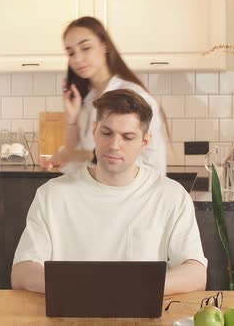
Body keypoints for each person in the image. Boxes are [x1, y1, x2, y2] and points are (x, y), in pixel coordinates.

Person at [11, 89, 207, 295]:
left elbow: (195, 273)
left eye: (128, 137)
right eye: (106, 133)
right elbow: (22, 272)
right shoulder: (52, 195)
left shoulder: (171, 196)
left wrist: (133, 289)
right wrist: (85, 289)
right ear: (94, 131)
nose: (114, 145)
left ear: (144, 142)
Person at [45, 16, 169, 176]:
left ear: (104, 45)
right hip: (91, 191)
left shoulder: (133, 96)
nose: (77, 58)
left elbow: (135, 159)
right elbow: (70, 153)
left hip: (131, 194)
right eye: (71, 52)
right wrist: (72, 118)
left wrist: (80, 155)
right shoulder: (88, 99)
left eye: (86, 48)